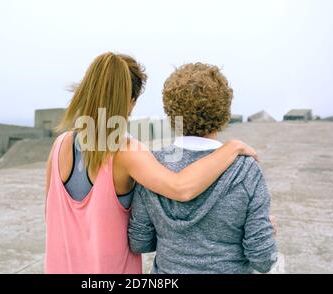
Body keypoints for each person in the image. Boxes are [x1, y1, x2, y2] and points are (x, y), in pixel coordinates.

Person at [44, 53, 258, 274]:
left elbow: (49, 216)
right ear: (130, 102)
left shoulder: (59, 145)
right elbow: (181, 188)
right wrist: (232, 148)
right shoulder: (127, 152)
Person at [128, 62, 278, 274]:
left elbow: (139, 241)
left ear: (171, 112)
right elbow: (262, 259)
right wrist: (267, 231)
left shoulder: (152, 167)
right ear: (224, 110)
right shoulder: (246, 170)